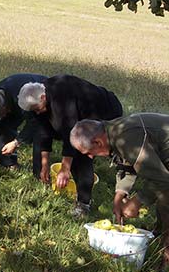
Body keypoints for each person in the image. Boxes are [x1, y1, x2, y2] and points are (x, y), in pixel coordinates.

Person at [70, 114, 169, 269]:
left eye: (89, 152)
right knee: (164, 194)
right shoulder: (112, 131)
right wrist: (119, 195)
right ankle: (159, 237)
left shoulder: (126, 137)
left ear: (98, 141)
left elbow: (160, 179)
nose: (90, 157)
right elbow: (129, 162)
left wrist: (138, 201)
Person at [17, 75, 123, 217]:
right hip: (80, 118)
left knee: (81, 153)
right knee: (73, 151)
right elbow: (44, 132)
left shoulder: (62, 99)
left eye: (37, 109)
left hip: (106, 111)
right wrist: (44, 164)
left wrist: (65, 169)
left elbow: (70, 134)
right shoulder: (38, 100)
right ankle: (82, 197)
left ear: (43, 97)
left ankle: (84, 204)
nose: (36, 112)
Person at [0, 73, 48, 170]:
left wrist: (16, 142)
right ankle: (9, 163)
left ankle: (40, 171)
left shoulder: (24, 99)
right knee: (5, 126)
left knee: (39, 132)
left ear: (4, 108)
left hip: (38, 96)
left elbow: (33, 124)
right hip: (13, 103)